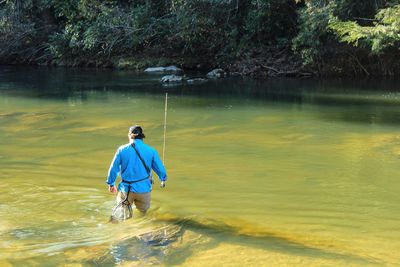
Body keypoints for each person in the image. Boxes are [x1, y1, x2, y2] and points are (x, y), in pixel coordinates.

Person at [106, 125, 167, 214]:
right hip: (143, 190)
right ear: (142, 136)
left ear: (129, 135)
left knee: (123, 214)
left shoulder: (121, 150)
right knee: (143, 214)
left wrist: (111, 184)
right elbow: (160, 169)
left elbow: (113, 168)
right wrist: (163, 179)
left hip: (126, 190)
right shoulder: (151, 150)